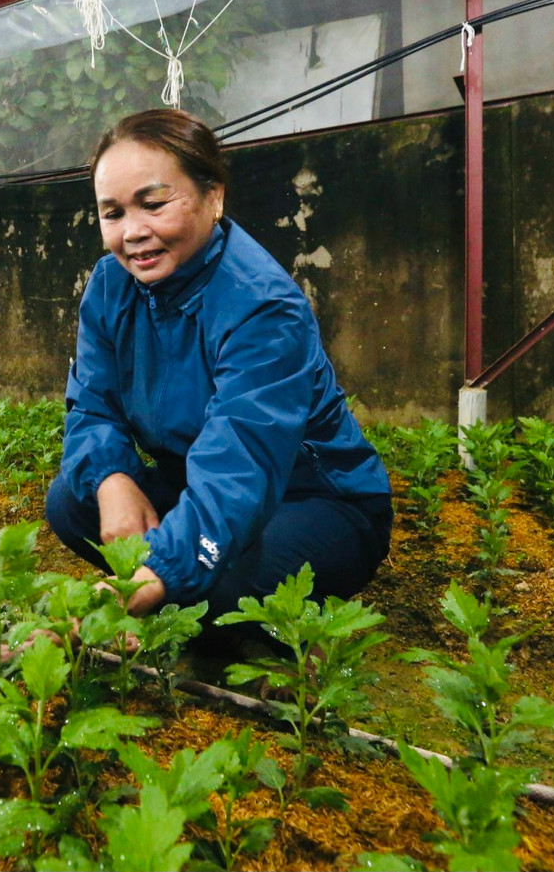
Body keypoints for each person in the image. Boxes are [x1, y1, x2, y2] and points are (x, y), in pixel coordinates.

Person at [46, 108, 392, 638]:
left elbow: (242, 462)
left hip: (315, 500)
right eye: (112, 213)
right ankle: (183, 594)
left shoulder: (262, 308)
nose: (133, 233)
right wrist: (113, 479)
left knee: (221, 583)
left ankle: (240, 615)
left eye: (155, 204)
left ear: (215, 196)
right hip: (196, 478)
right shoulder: (110, 285)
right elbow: (93, 405)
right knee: (76, 500)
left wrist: (148, 576)